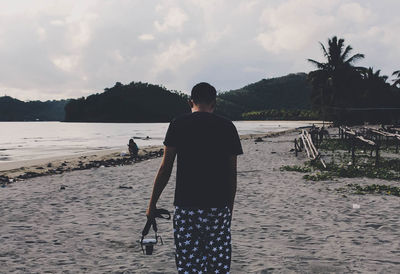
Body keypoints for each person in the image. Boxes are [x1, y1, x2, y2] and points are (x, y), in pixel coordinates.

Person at [146, 82, 243, 273]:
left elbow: (166, 168)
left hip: (186, 207)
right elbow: (232, 175)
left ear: (190, 101)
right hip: (218, 207)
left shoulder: (177, 124)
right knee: (218, 264)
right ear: (214, 103)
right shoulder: (227, 127)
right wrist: (228, 209)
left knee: (189, 265)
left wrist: (152, 205)